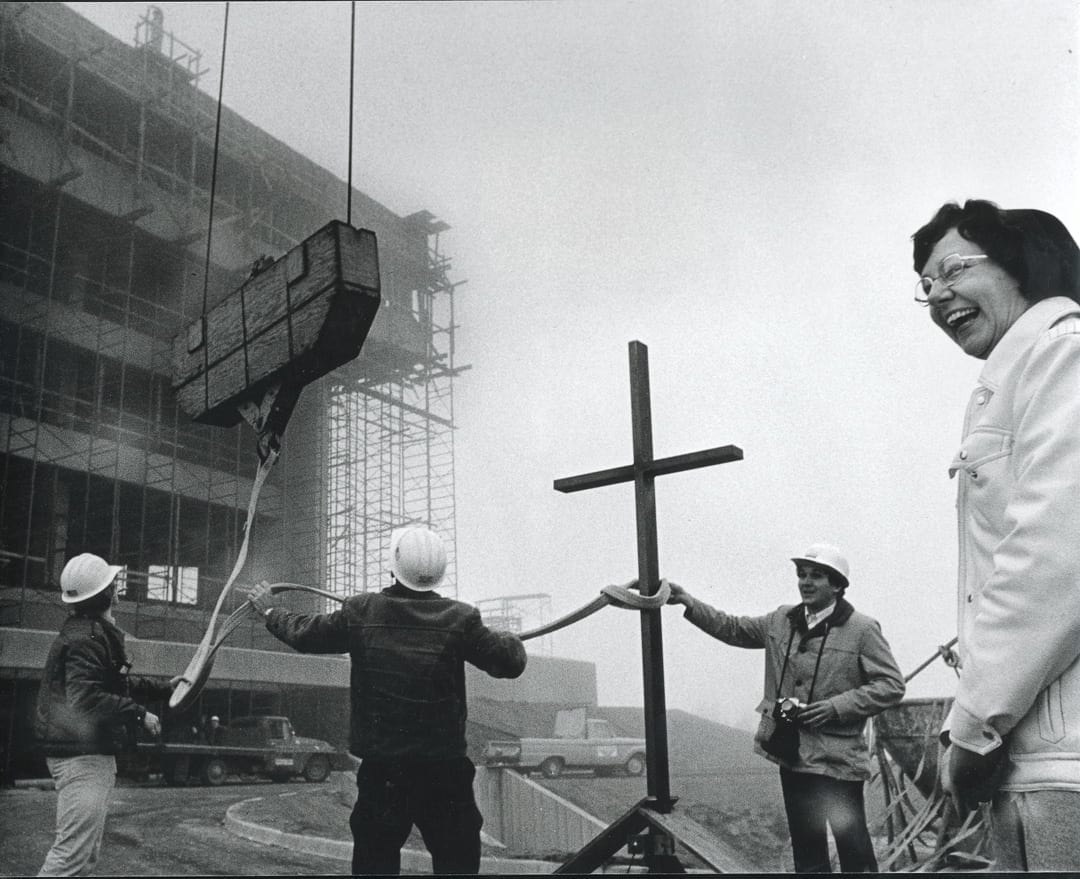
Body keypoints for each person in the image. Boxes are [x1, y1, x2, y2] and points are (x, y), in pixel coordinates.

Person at [911, 199, 1080, 872]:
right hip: (1038, 752)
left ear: (1020, 264)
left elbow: (1052, 555)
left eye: (952, 268)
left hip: (1061, 764)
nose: (938, 293)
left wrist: (975, 728)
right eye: (925, 285)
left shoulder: (1060, 354)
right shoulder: (1019, 370)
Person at [244, 526, 527, 875]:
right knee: (458, 864)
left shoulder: (361, 611)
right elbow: (510, 662)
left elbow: (305, 634)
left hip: (385, 773)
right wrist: (508, 639)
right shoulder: (462, 619)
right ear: (439, 572)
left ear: (393, 567)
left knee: (375, 864)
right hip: (445, 773)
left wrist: (272, 613)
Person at [664, 543, 905, 873]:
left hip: (838, 761)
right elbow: (732, 628)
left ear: (837, 585)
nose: (805, 582)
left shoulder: (862, 630)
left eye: (816, 576)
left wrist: (835, 707)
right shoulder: (781, 620)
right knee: (807, 851)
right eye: (801, 575)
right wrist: (690, 603)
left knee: (854, 851)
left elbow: (891, 685)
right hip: (792, 755)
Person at [34, 553, 178, 876]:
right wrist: (140, 715)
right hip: (81, 757)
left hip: (82, 754)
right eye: (113, 585)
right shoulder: (87, 639)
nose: (116, 590)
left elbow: (116, 684)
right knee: (71, 856)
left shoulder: (89, 634)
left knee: (84, 857)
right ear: (107, 594)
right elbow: (86, 700)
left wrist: (165, 688)